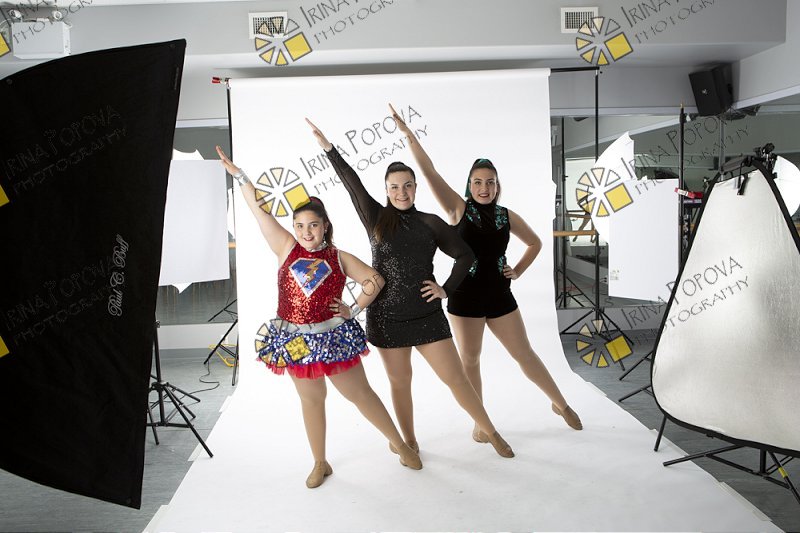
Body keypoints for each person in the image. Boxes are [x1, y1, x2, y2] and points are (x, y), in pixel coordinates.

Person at [305, 120, 514, 459]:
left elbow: (466, 255)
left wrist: (445, 289)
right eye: (394, 187)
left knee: (456, 378)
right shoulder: (375, 218)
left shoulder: (430, 222)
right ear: (386, 190)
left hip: (427, 315)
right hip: (386, 318)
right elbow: (351, 182)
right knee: (400, 383)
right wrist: (329, 148)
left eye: (407, 186)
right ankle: (410, 442)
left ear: (415, 188)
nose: (401, 193)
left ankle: (491, 431)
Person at [216, 145, 422, 489]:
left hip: (331, 337)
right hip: (295, 339)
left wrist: (353, 308)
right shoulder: (286, 247)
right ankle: (320, 462)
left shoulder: (338, 257)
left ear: (325, 226)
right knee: (311, 400)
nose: (306, 232)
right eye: (299, 226)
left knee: (360, 394)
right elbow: (259, 211)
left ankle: (400, 445)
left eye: (313, 225)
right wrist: (239, 176)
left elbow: (375, 280)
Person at [388, 104, 583, 441]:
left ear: (497, 186)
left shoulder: (506, 215)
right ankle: (481, 423)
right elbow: (430, 172)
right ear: (469, 185)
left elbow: (535, 243)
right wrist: (408, 135)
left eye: (490, 182)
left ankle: (561, 403)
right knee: (471, 359)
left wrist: (517, 270)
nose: (484, 187)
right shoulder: (457, 208)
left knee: (524, 353)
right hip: (465, 299)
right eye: (478, 182)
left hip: (500, 296)